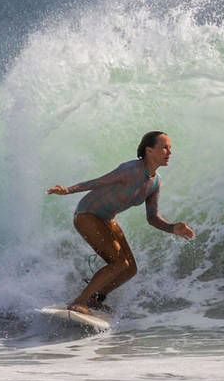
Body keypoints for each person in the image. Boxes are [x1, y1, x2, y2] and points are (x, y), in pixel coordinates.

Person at [47, 131, 195, 315]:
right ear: (149, 150)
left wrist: (173, 228)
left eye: (170, 148)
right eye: (165, 147)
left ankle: (95, 298)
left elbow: (153, 218)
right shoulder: (130, 169)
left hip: (107, 219)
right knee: (117, 262)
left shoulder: (155, 183)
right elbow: (98, 182)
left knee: (129, 268)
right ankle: (79, 302)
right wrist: (68, 190)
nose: (169, 152)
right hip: (86, 214)